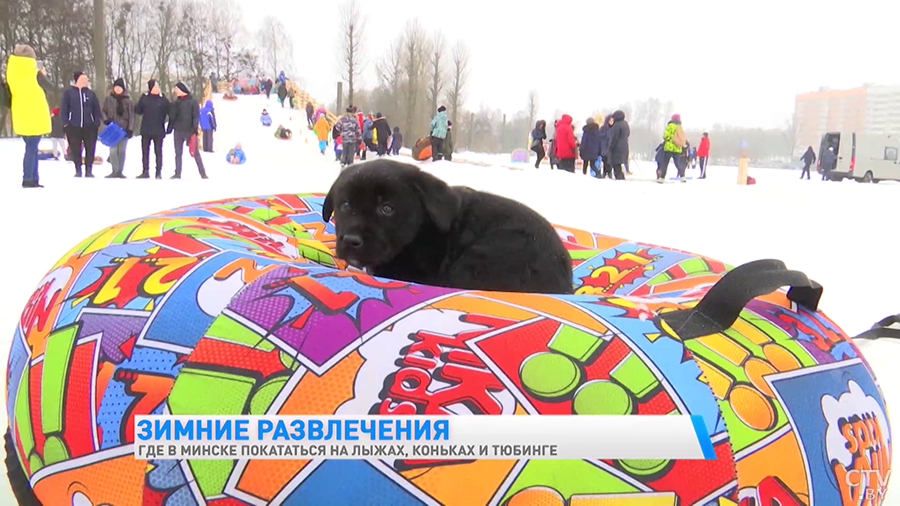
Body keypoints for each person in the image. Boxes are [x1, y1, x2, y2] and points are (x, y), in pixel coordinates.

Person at [7, 44, 51, 188]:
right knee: (32, 148)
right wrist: (42, 73)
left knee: (31, 146)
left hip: (20, 113)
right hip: (35, 113)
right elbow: (49, 87)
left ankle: (33, 177)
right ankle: (28, 178)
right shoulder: (34, 73)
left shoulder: (12, 72)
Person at [61, 71, 102, 177]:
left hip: (89, 126)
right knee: (75, 148)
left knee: (90, 148)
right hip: (73, 126)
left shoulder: (91, 94)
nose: (86, 81)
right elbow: (64, 108)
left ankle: (89, 170)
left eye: (86, 79)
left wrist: (96, 122)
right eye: (83, 79)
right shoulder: (69, 93)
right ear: (77, 80)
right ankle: (78, 170)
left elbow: (96, 109)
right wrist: (65, 123)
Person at [167, 81, 208, 179]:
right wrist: (169, 128)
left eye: (176, 89)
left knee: (195, 153)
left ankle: (203, 173)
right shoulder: (175, 102)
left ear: (182, 90)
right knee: (178, 153)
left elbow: (196, 116)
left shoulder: (193, 102)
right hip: (178, 131)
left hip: (189, 131)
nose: (175, 91)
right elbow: (172, 117)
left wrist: (194, 130)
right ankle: (177, 173)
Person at [100, 77, 135, 178]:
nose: (118, 89)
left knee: (122, 151)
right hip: (112, 128)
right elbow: (103, 111)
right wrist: (106, 120)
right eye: (116, 87)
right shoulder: (108, 98)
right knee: (113, 150)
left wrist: (130, 129)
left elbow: (131, 115)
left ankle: (120, 171)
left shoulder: (128, 101)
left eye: (120, 87)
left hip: (124, 128)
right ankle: (114, 170)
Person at [134, 79, 169, 179]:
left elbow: (170, 111)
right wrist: (140, 101)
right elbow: (138, 110)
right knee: (145, 151)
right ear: (151, 88)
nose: (158, 88)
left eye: (158, 86)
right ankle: (145, 171)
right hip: (146, 129)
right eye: (155, 86)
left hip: (159, 130)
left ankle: (158, 172)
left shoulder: (163, 99)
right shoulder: (145, 98)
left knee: (158, 151)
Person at [658, 114, 687, 182]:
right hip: (677, 148)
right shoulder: (680, 127)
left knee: (665, 163)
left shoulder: (670, 126)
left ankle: (662, 178)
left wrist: (670, 139)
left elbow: (665, 136)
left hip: (669, 147)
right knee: (677, 163)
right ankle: (682, 176)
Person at [606, 110, 630, 180]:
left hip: (617, 148)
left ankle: (620, 179)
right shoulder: (625, 124)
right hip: (625, 146)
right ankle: (621, 178)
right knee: (618, 165)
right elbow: (628, 134)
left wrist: (610, 148)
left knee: (616, 165)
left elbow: (614, 138)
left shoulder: (616, 125)